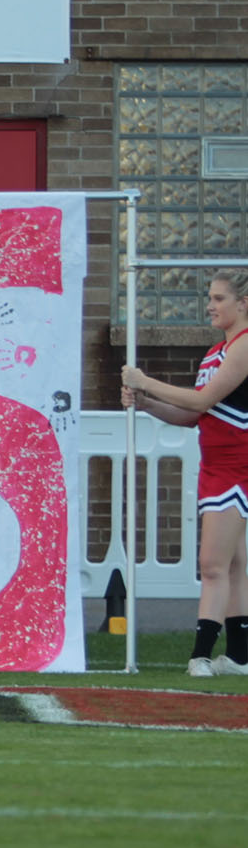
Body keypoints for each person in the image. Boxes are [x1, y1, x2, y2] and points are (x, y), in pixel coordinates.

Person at [122, 270, 248, 677]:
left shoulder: (244, 347)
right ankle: (240, 657)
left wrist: (147, 381)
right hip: (217, 465)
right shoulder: (215, 353)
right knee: (232, 566)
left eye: (218, 298)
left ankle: (201, 656)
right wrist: (145, 402)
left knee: (212, 564)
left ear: (243, 303)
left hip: (237, 467)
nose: (210, 305)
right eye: (209, 297)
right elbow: (193, 415)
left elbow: (203, 397)